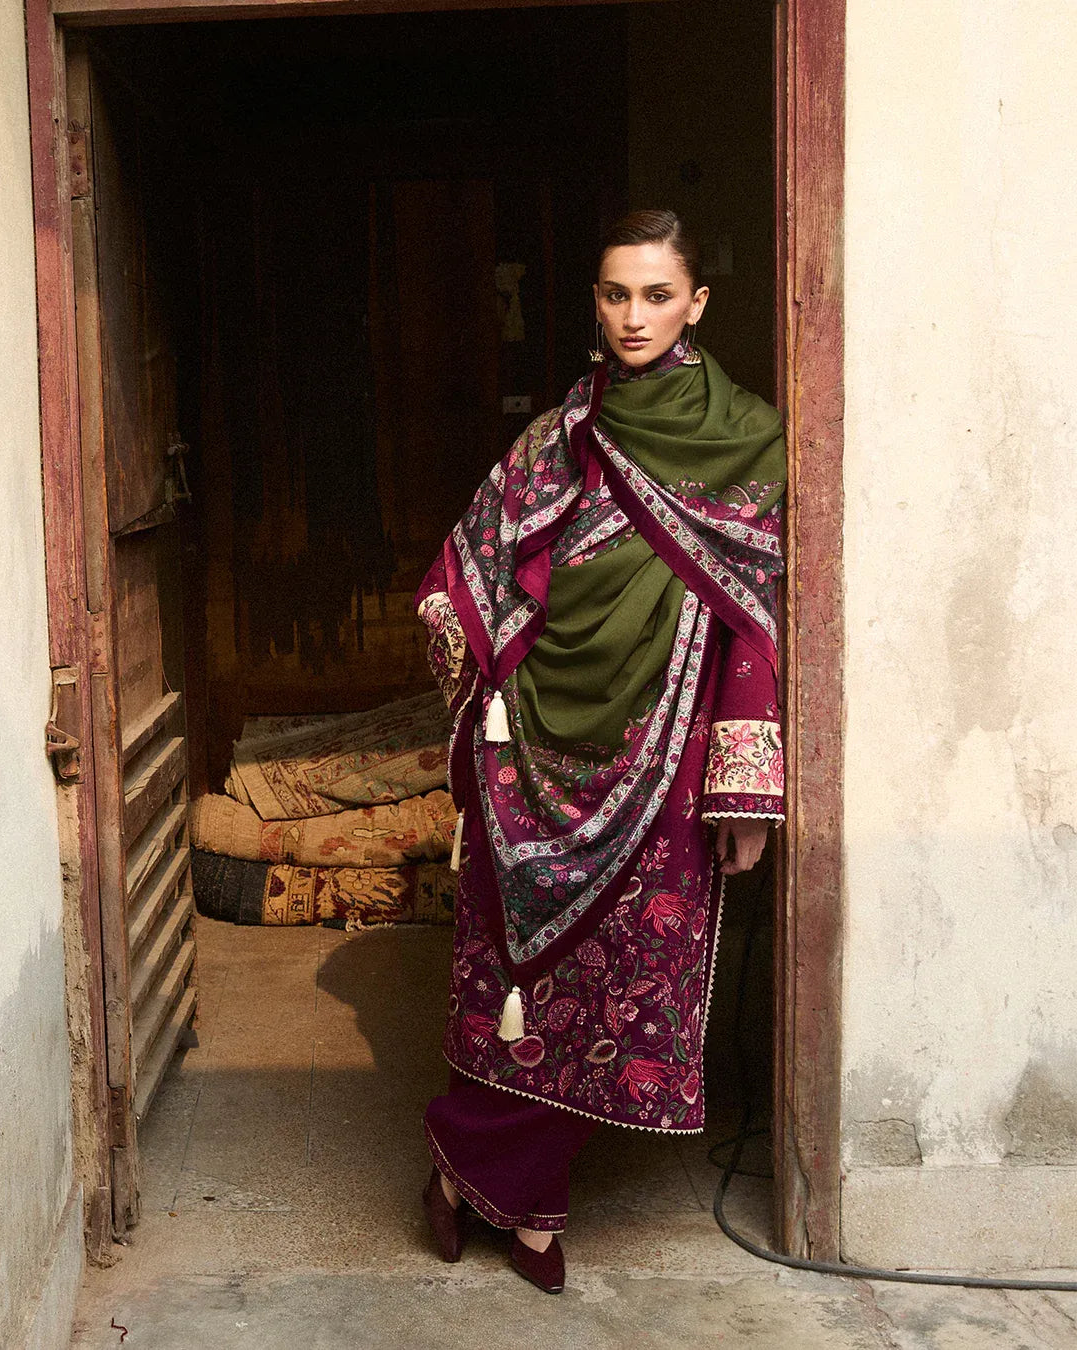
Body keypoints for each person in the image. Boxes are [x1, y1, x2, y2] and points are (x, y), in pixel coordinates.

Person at [415, 209, 786, 1293]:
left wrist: (745, 793)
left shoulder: (750, 441)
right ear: (595, 300)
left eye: (657, 295)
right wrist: (484, 675)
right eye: (617, 294)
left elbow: (756, 627)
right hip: (528, 752)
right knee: (514, 982)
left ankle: (473, 1178)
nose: (635, 316)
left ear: (696, 304)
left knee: (619, 985)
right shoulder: (556, 438)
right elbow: (459, 576)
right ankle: (518, 1204)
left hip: (663, 755)